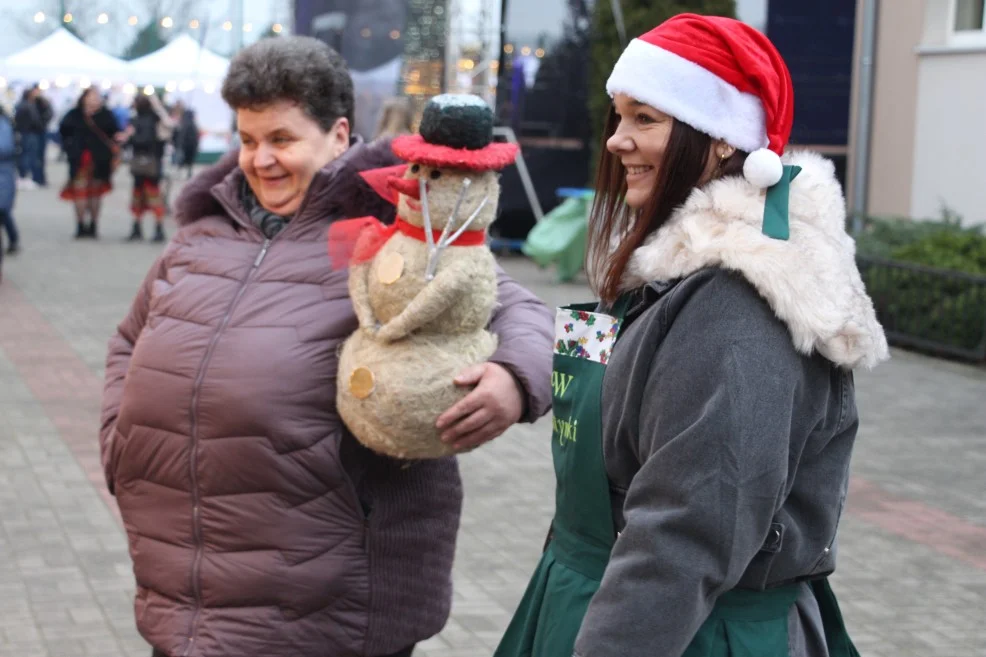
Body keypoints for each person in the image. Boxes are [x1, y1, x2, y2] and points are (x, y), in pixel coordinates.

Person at [99, 36, 554, 657]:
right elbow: (127, 340)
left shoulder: (387, 232)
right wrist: (119, 443)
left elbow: (526, 311)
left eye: (282, 139)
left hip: (324, 610)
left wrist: (514, 378)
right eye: (248, 139)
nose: (259, 160)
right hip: (182, 603)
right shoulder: (199, 237)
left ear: (338, 135)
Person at [495, 14, 889, 657]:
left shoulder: (736, 308)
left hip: (691, 634)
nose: (618, 141)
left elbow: (682, 539)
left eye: (645, 119)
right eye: (617, 117)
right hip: (589, 597)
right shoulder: (663, 269)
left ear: (719, 141)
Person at [59, 87, 121, 239]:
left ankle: (91, 224)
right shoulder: (77, 114)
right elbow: (63, 132)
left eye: (96, 97)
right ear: (84, 98)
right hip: (81, 160)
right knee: (82, 193)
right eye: (92, 96)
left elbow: (115, 133)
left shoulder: (102, 115)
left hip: (98, 161)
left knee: (94, 193)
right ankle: (82, 225)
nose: (94, 99)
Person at [124, 93, 174, 242]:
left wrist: (131, 138)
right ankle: (156, 228)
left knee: (139, 196)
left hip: (141, 162)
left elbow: (135, 141)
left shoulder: (136, 120)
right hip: (153, 163)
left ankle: (138, 227)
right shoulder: (156, 120)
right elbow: (170, 129)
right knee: (153, 196)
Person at [14, 86, 46, 188]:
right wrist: (40, 126)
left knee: (26, 155)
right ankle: (28, 177)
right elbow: (35, 120)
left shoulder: (21, 105)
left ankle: (24, 176)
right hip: (30, 133)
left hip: (26, 132)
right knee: (30, 156)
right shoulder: (28, 105)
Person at [0, 104, 20, 259]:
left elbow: (5, 148)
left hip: (3, 175)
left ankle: (13, 238)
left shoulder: (3, 125)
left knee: (3, 210)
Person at [174, 106, 200, 179]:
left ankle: (182, 172)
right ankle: (187, 173)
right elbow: (195, 137)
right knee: (189, 161)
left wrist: (179, 145)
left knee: (183, 160)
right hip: (190, 146)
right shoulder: (192, 124)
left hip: (185, 146)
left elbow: (181, 136)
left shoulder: (184, 123)